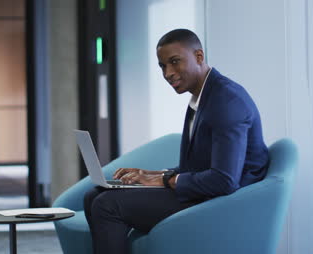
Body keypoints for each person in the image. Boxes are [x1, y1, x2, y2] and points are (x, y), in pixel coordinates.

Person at [83, 28, 269, 254]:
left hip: (222, 204)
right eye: (162, 66)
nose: (168, 73)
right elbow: (197, 167)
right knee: (95, 194)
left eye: (174, 62)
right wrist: (150, 176)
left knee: (107, 205)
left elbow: (224, 180)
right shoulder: (202, 96)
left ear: (199, 57)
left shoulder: (226, 101)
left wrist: (165, 180)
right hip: (205, 192)